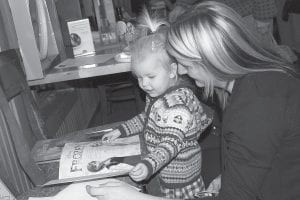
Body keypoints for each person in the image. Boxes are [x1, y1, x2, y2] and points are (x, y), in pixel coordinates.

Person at [86, 1, 300, 200]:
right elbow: (260, 154)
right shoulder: (253, 84)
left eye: (183, 63)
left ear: (209, 57)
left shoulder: (256, 106)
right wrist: (228, 178)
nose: (179, 71)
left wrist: (135, 197)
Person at [100, 9, 213, 199]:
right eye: (139, 78)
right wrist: (121, 130)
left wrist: (148, 164)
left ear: (172, 71)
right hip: (166, 171)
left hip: (183, 181)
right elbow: (147, 118)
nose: (144, 84)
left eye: (150, 76)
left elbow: (170, 143)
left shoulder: (176, 106)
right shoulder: (158, 95)